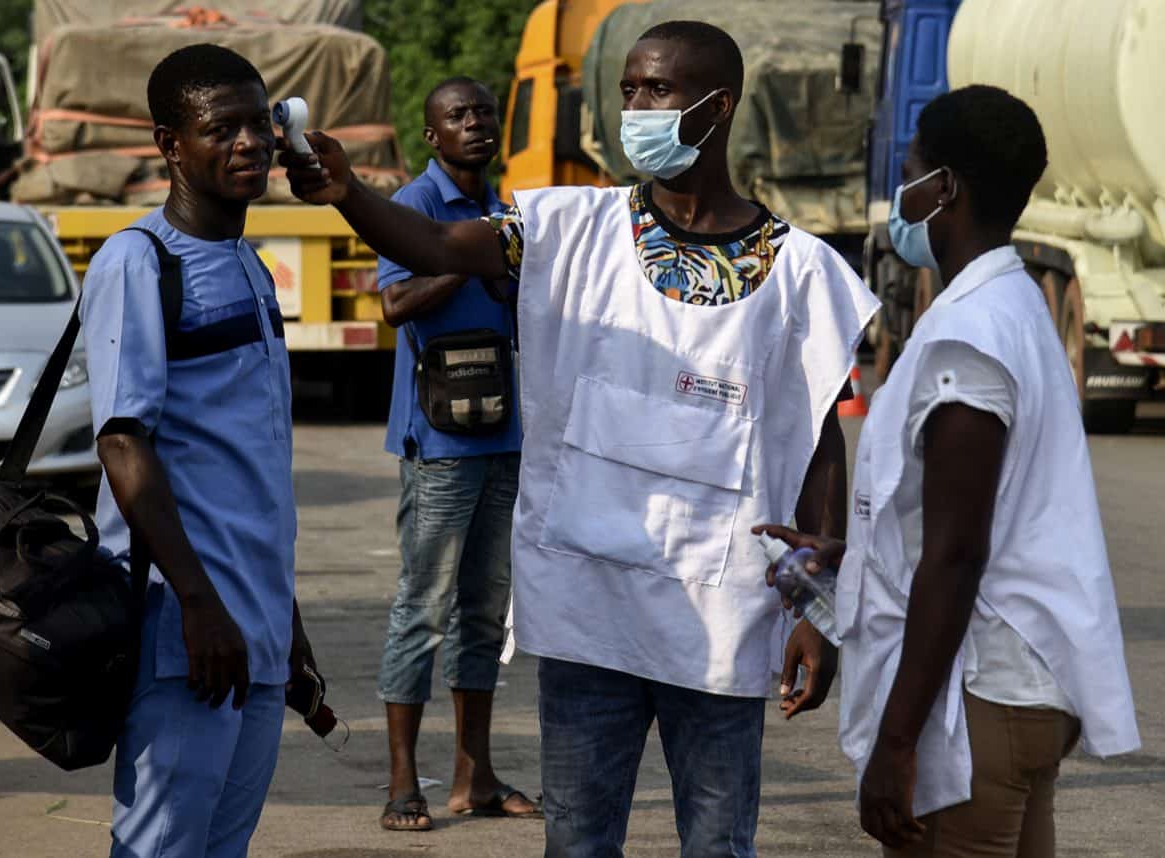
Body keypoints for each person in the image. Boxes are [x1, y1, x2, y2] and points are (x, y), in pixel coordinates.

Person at [283, 20, 878, 857]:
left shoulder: (802, 274)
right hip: (588, 616)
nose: (636, 106)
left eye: (659, 91)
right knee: (580, 846)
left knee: (718, 846)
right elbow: (434, 242)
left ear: (720, 106)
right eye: (629, 89)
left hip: (720, 619)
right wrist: (348, 191)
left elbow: (819, 442)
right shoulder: (566, 229)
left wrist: (818, 610)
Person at [759, 85, 1141, 857]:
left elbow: (958, 551)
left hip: (980, 702)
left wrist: (896, 746)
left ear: (945, 188)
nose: (900, 193)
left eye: (910, 170)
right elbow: (964, 512)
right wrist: (854, 557)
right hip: (1021, 690)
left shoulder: (971, 334)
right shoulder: (1011, 304)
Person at [80, 44, 316, 858]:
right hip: (183, 628)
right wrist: (198, 603)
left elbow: (247, 469)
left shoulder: (251, 266)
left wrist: (285, 624)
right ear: (170, 144)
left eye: (261, 124)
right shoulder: (138, 263)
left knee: (220, 846)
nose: (250, 142)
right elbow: (122, 440)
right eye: (223, 128)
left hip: (251, 627)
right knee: (162, 847)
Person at [374, 76, 535, 832]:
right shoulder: (415, 206)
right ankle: (403, 782)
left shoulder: (510, 208)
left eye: (482, 112)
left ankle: (476, 777)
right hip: (438, 441)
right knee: (421, 609)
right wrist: (468, 260)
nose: (475, 123)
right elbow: (394, 304)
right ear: (432, 136)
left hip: (503, 429)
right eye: (457, 116)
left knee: (483, 613)